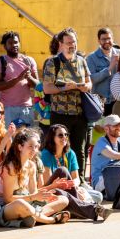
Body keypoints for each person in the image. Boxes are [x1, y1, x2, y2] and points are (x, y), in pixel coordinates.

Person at [42, 28, 93, 174]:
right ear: (61, 44)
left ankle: (80, 180)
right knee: (58, 148)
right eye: (68, 42)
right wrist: (64, 88)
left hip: (79, 112)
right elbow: (47, 88)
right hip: (60, 113)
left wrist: (85, 87)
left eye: (74, 42)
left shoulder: (82, 61)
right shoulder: (53, 62)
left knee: (80, 149)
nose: (72, 45)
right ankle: (56, 177)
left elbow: (90, 82)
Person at [0, 130, 70, 226]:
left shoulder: (31, 165)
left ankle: (32, 217)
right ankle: (51, 220)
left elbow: (33, 192)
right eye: (30, 146)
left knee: (63, 199)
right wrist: (34, 197)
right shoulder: (9, 167)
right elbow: (8, 199)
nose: (34, 150)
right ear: (20, 147)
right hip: (7, 207)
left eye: (36, 147)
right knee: (21, 204)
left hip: (29, 204)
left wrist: (45, 196)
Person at [0, 32, 39, 128]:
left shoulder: (29, 60)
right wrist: (18, 79)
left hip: (26, 108)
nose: (14, 45)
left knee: (26, 139)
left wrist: (29, 77)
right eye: (10, 43)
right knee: (9, 140)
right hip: (7, 108)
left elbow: (37, 86)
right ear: (5, 46)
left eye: (16, 42)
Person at [86, 28, 120, 117]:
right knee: (102, 130)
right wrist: (109, 68)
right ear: (99, 41)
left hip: (118, 100)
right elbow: (91, 79)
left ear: (112, 39)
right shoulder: (91, 58)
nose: (107, 41)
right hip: (100, 103)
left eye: (109, 38)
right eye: (103, 39)